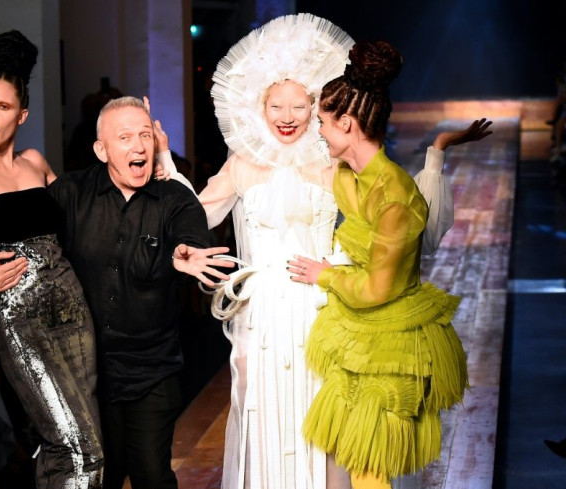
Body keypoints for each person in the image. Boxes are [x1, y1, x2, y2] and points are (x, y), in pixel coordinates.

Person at [155, 13, 490, 489]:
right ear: (259, 106)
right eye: (276, 105)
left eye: (300, 104)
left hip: (322, 307)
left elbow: (390, 213)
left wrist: (434, 155)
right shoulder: (242, 163)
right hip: (262, 312)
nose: (288, 116)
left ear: (318, 107)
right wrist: (168, 170)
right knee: (262, 411)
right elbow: (196, 213)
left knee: (324, 423)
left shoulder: (332, 164)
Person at [0, 95, 234, 489]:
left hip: (152, 369)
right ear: (102, 149)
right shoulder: (69, 193)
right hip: (85, 373)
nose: (139, 146)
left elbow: (194, 242)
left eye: (145, 135)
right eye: (125, 137)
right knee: (98, 476)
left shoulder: (174, 199)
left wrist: (188, 256)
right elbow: (9, 228)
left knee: (151, 473)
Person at [287, 40, 469, 489]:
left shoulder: (395, 197)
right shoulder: (351, 176)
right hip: (357, 333)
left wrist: (324, 273)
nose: (320, 133)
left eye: (324, 124)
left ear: (346, 123)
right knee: (339, 446)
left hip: (390, 340)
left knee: (368, 461)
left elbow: (378, 290)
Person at [0, 30, 103, 488]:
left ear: (22, 114)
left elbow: (81, 213)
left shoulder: (35, 161)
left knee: (73, 440)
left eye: (3, 107)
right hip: (19, 319)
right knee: (79, 446)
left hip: (72, 309)